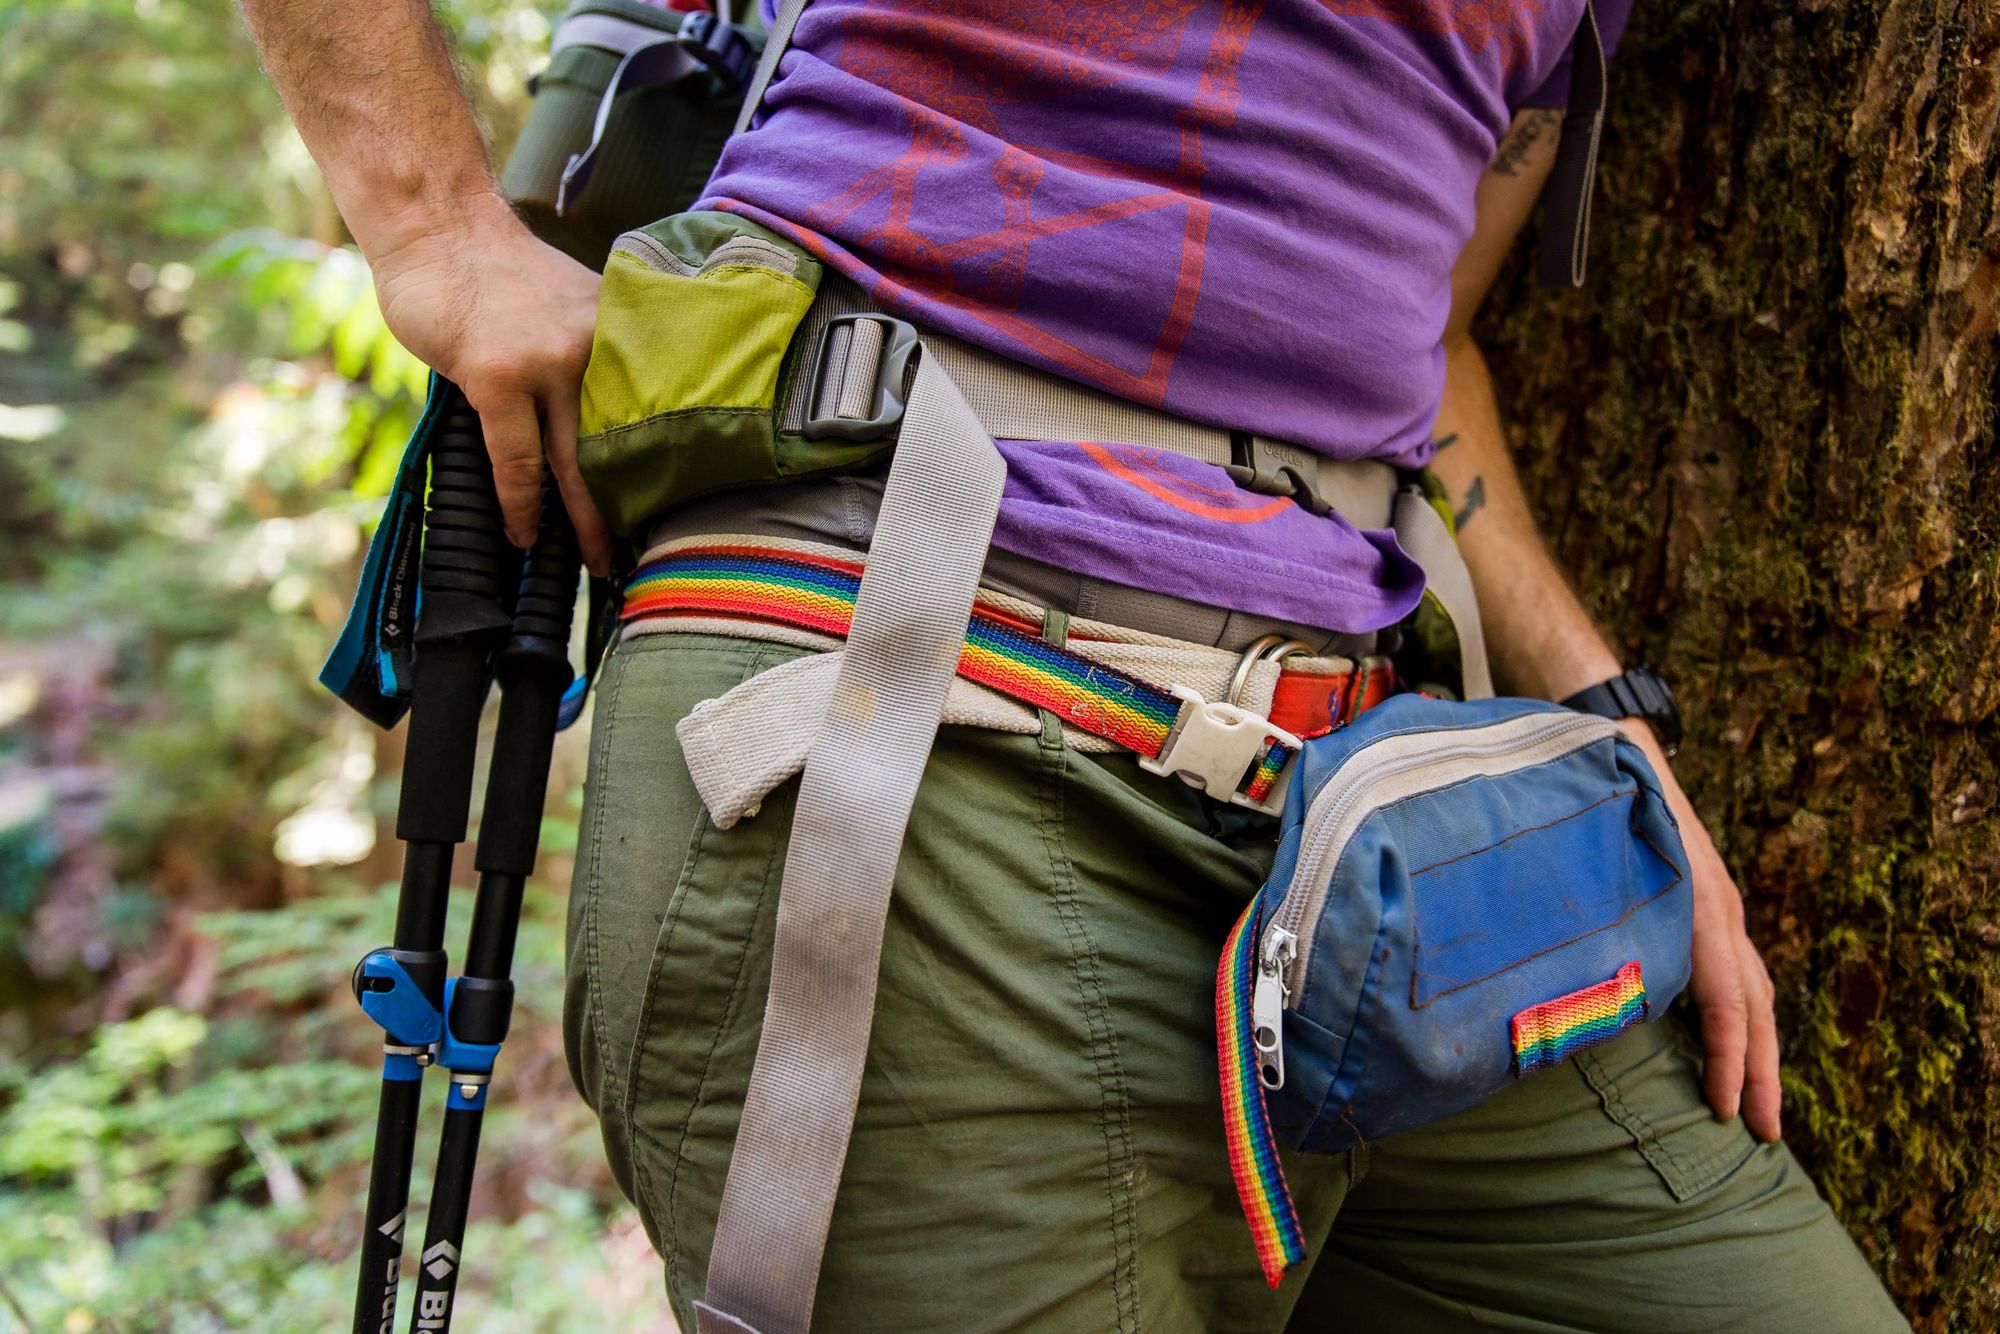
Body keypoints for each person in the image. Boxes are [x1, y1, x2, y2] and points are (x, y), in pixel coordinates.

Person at [239, 0, 1910, 1328]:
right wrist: (435, 227)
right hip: (899, 696)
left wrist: (1602, 719)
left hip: (1351, 822)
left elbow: (1424, 343)